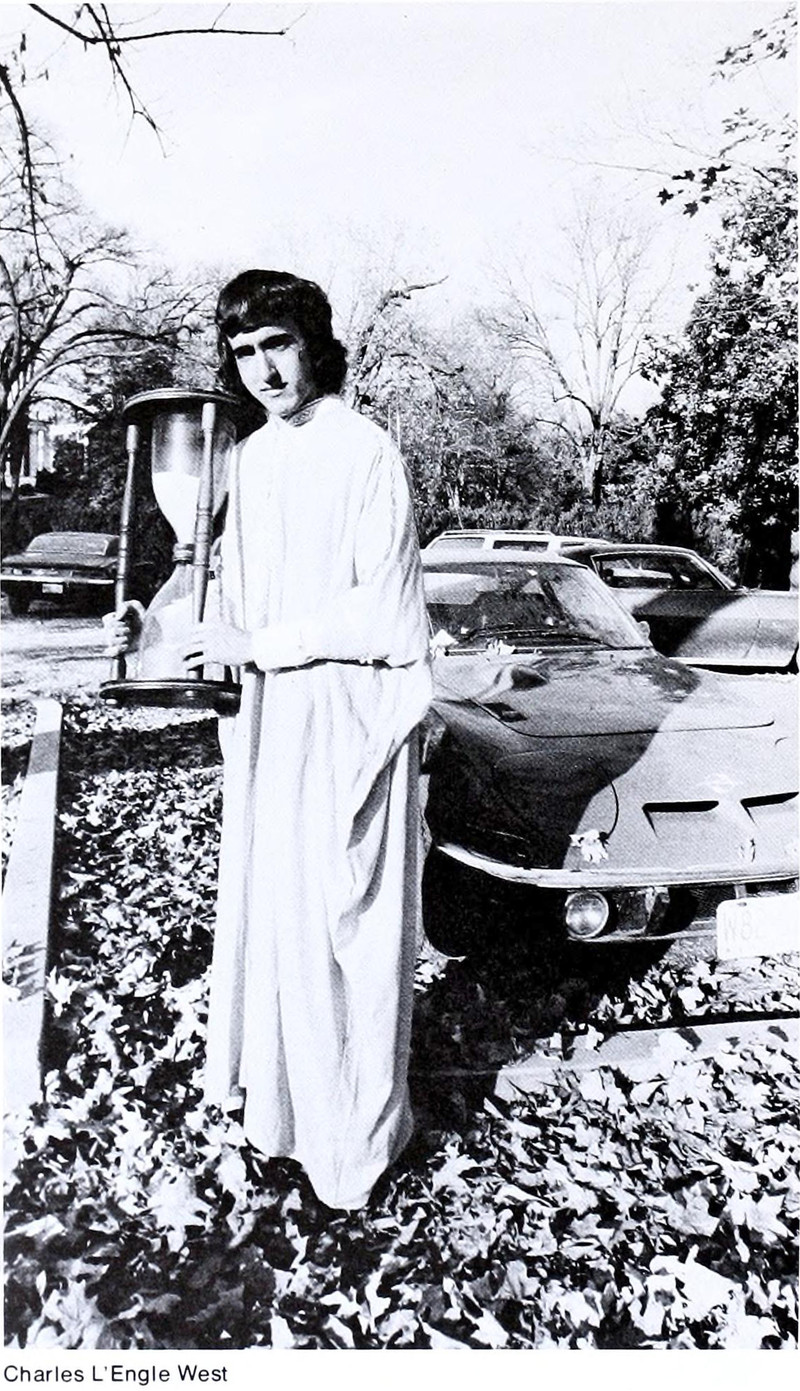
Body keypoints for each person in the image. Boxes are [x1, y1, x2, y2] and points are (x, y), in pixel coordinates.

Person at [109, 270, 432, 1212]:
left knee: (348, 931)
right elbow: (218, 593)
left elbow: (387, 613)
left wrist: (263, 644)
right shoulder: (245, 461)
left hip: (349, 718)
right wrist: (148, 629)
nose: (264, 370)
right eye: (244, 352)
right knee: (282, 919)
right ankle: (288, 1121)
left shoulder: (366, 451)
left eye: (278, 344)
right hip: (268, 724)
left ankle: (357, 1147)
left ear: (314, 344)